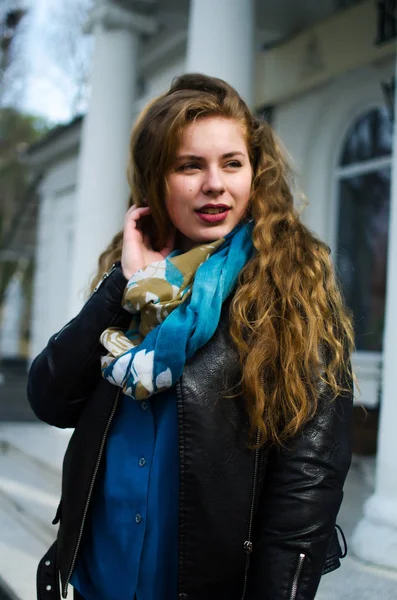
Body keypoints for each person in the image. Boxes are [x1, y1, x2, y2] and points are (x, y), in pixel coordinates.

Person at [28, 73, 354, 600]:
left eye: (232, 163)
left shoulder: (296, 289)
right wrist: (122, 284)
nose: (214, 185)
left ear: (255, 172)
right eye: (189, 166)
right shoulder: (135, 284)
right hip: (97, 580)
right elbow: (50, 398)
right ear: (157, 180)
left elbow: (307, 484)